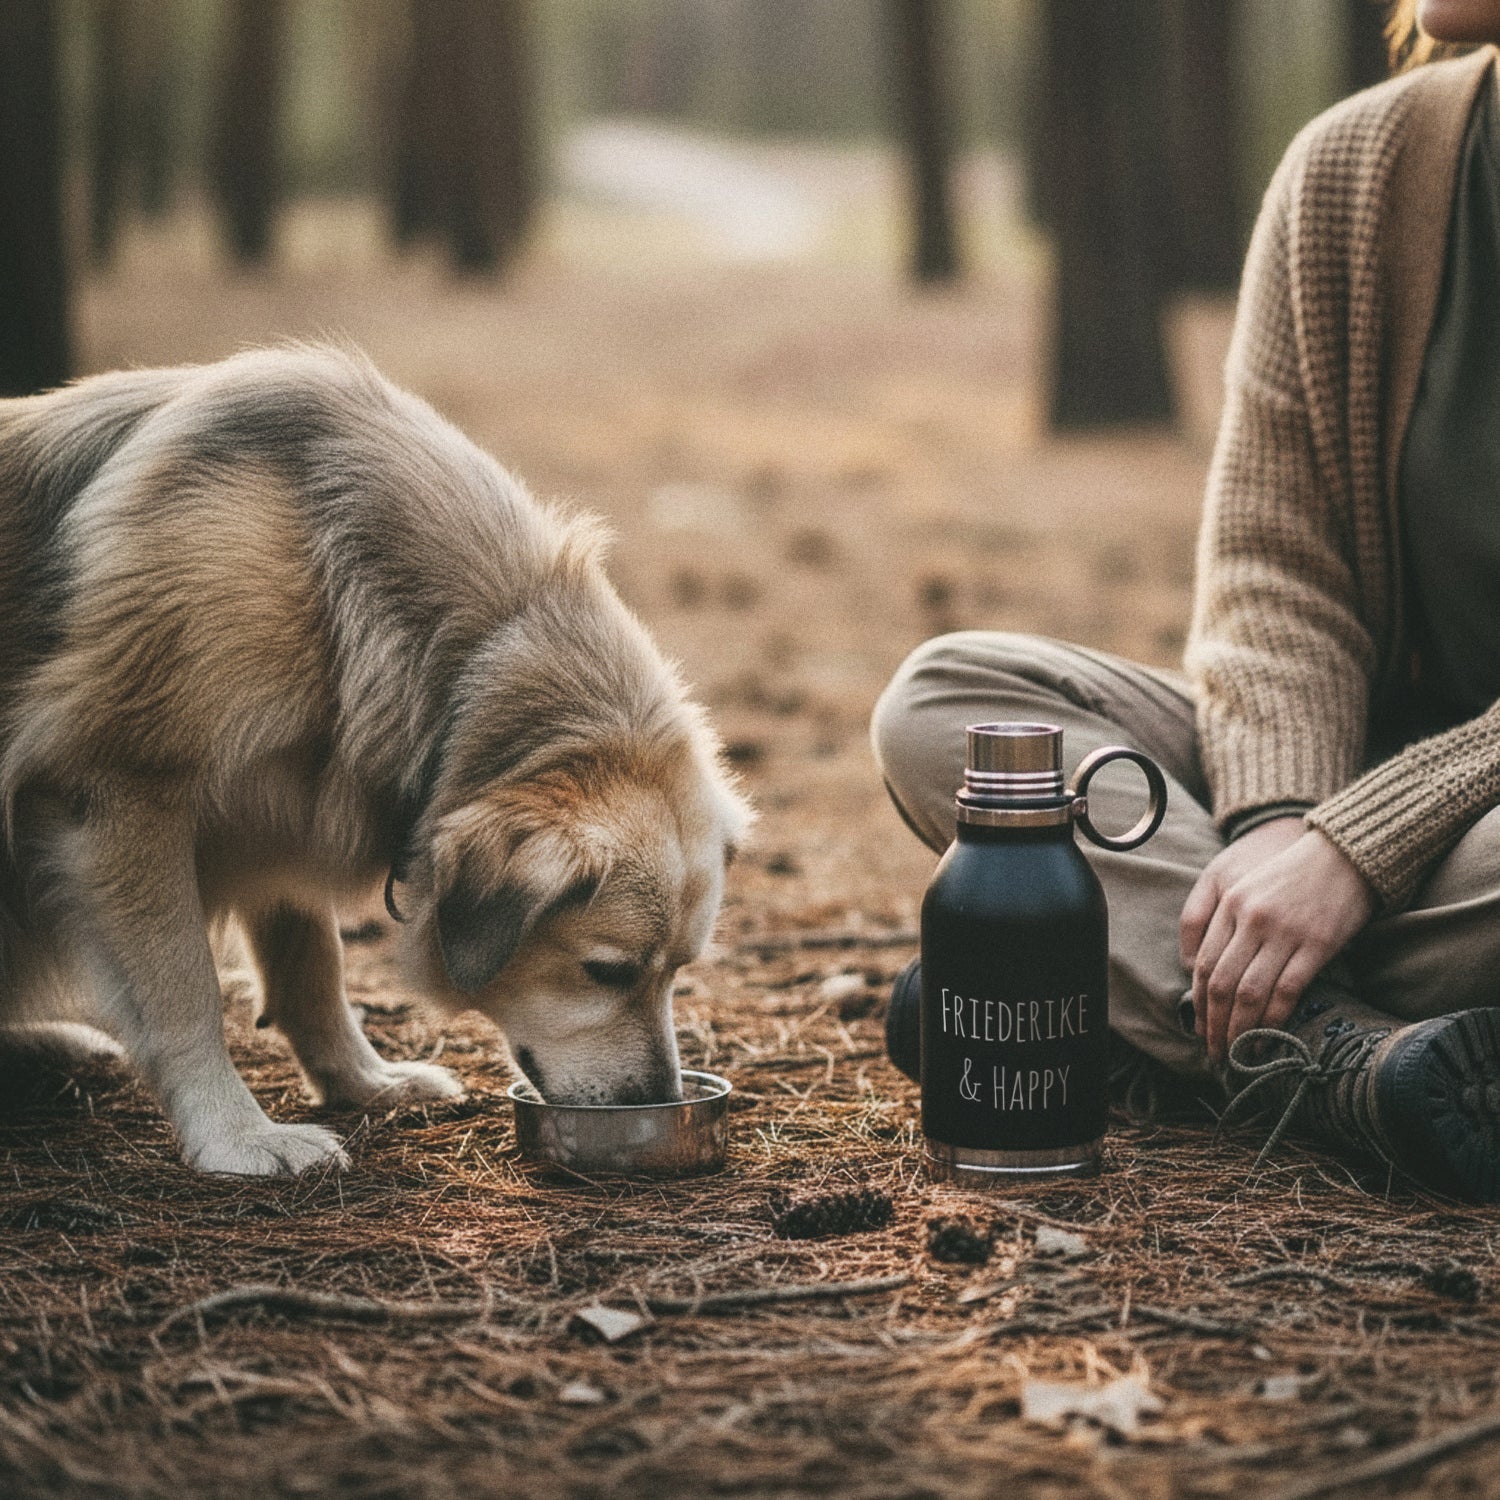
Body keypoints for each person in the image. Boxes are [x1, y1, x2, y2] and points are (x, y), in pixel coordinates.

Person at [872, 1, 1500, 1202]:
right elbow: (1278, 571)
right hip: (1355, 779)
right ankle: (1338, 1063)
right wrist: (1279, 820)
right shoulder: (1355, 169)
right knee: (949, 703)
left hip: (1472, 841)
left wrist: (1355, 852)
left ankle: (1102, 1009)